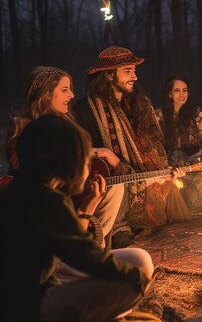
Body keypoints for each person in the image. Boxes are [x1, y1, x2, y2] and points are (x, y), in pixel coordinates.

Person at [1, 114, 154, 322]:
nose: (89, 168)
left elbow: (73, 249)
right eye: (85, 160)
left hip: (27, 295)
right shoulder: (47, 200)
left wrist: (88, 206)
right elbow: (84, 255)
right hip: (31, 307)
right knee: (131, 282)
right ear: (66, 163)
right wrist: (135, 278)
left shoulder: (19, 190)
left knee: (137, 261)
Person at [73, 46, 190, 245]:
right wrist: (109, 156)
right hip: (113, 185)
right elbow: (82, 156)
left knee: (169, 191)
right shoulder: (85, 110)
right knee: (116, 183)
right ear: (109, 75)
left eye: (134, 71)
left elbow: (155, 144)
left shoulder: (140, 103)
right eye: (128, 71)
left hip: (145, 177)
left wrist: (160, 170)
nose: (134, 76)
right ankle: (120, 229)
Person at [4, 66, 124, 249]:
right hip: (40, 206)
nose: (72, 95)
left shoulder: (68, 123)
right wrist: (94, 153)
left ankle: (91, 245)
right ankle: (78, 250)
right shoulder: (22, 126)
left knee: (114, 186)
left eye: (70, 88)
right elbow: (26, 167)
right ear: (46, 94)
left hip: (70, 196)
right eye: (64, 89)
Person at [156, 76, 202, 213]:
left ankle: (196, 209)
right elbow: (156, 145)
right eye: (177, 90)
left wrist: (194, 160)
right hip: (172, 165)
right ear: (170, 93)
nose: (182, 94)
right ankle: (179, 206)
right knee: (176, 157)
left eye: (185, 90)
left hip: (194, 162)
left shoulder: (196, 113)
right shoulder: (159, 115)